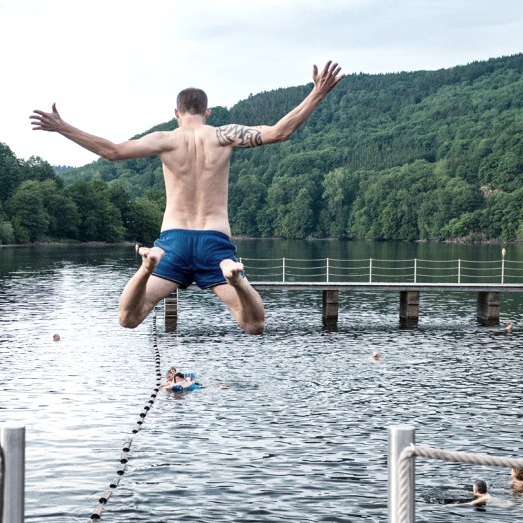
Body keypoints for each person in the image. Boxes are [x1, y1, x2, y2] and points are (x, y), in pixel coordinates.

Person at [32, 62, 345, 335]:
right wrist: (317, 92)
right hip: (215, 243)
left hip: (173, 244)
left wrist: (62, 127)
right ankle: (235, 279)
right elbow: (279, 132)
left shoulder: (165, 139)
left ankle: (146, 265)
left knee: (128, 318)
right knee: (253, 325)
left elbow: (111, 151)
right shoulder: (224, 135)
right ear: (207, 113)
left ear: (176, 113)